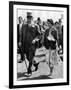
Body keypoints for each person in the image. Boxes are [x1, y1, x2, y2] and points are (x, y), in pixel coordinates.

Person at [21, 12, 40, 76]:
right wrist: (20, 41)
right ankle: (35, 63)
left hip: (32, 45)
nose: (29, 19)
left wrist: (35, 39)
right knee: (27, 58)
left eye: (30, 18)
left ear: (32, 18)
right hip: (25, 45)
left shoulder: (36, 26)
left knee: (31, 58)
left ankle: (29, 72)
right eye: (28, 18)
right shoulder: (23, 26)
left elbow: (39, 35)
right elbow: (21, 35)